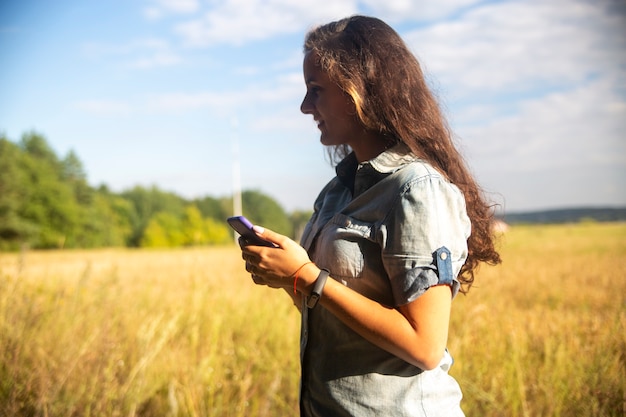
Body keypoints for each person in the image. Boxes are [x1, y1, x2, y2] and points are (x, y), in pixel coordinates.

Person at [238, 15, 501, 416]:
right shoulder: (337, 191)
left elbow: (425, 346)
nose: (306, 106)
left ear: (358, 90)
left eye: (316, 90)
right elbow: (333, 309)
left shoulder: (416, 189)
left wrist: (306, 275)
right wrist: (286, 274)